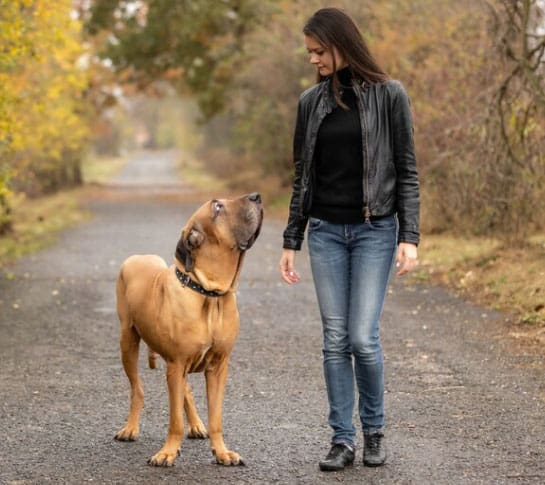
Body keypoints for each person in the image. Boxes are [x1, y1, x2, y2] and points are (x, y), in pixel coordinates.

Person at [279, 7, 420, 472]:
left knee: (362, 336)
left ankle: (374, 431)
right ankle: (342, 439)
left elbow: (407, 170)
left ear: (342, 44)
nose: (313, 60)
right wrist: (291, 238)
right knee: (335, 339)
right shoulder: (310, 102)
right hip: (324, 232)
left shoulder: (389, 95)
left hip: (375, 230)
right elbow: (303, 176)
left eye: (319, 51)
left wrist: (410, 236)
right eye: (309, 53)